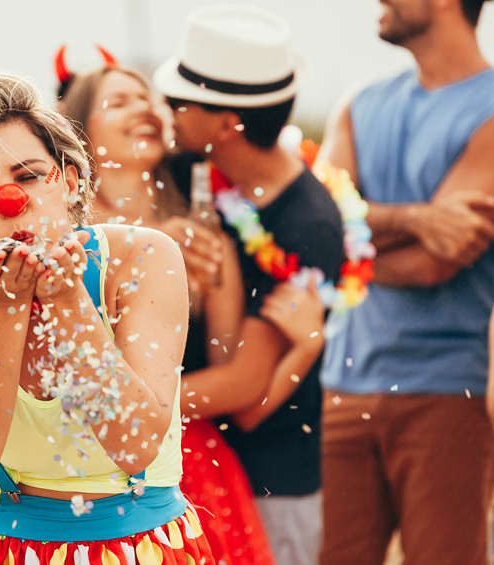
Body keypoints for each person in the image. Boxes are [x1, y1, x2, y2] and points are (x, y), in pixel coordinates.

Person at [0, 70, 217, 565]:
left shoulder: (143, 258)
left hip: (134, 547)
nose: (12, 201)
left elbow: (134, 443)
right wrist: (5, 306)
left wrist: (68, 299)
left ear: (69, 182)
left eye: (27, 176)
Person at [56, 50, 328, 565]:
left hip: (190, 462)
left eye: (147, 98)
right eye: (118, 101)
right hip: (79, 464)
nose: (143, 109)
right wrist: (151, 246)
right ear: (80, 132)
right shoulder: (64, 235)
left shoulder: (206, 236)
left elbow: (232, 372)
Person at [153, 6, 354, 565]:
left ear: (225, 124)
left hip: (269, 481)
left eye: (180, 101)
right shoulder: (189, 169)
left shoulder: (307, 225)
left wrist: (110, 408)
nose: (165, 109)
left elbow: (246, 394)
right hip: (180, 468)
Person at [318, 0, 494, 562]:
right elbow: (317, 227)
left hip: (445, 392)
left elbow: (432, 265)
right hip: (344, 386)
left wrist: (348, 241)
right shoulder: (360, 102)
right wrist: (416, 219)